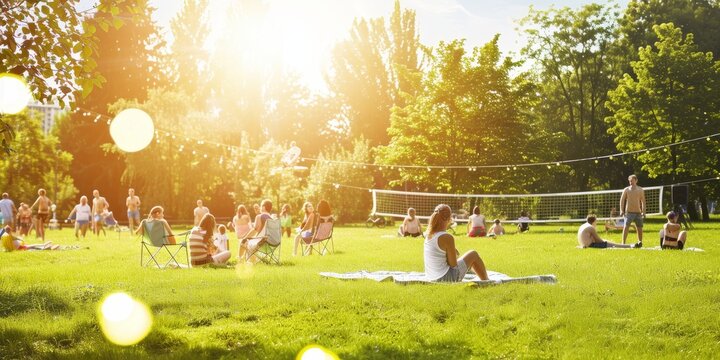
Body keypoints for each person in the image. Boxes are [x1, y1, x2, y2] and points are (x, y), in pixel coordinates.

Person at [424, 204, 489, 282]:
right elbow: (453, 265)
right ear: (449, 219)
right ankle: (487, 281)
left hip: (431, 278)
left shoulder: (428, 234)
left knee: (468, 259)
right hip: (445, 279)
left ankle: (479, 275)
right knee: (473, 254)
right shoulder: (447, 237)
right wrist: (455, 255)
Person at [619, 174, 645, 245]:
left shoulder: (640, 190)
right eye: (630, 181)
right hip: (629, 213)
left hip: (638, 213)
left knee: (639, 228)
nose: (631, 183)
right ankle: (623, 243)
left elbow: (643, 201)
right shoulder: (626, 189)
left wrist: (643, 212)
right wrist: (622, 210)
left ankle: (640, 242)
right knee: (626, 227)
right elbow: (622, 200)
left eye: (632, 181)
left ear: (636, 181)